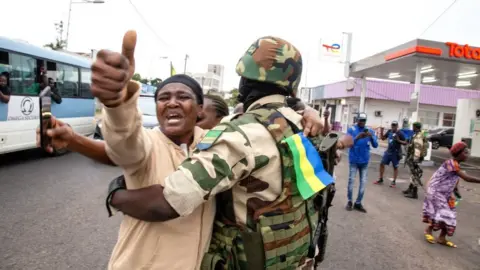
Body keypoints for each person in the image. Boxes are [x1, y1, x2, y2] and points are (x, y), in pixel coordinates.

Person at [95, 33, 353, 269]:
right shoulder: (305, 125)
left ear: (244, 82)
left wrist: (116, 194)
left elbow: (168, 203)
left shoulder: (241, 134)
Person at [423, 142, 480, 248]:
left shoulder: (456, 164)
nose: (467, 154)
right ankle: (428, 231)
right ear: (458, 153)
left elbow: (453, 179)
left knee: (451, 214)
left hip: (446, 193)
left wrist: (456, 191)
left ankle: (442, 238)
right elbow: (466, 178)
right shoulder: (451, 163)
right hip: (436, 191)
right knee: (440, 214)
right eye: (465, 152)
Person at [346, 112, 378, 213]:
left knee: (363, 183)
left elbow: (376, 145)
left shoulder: (370, 131)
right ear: (357, 120)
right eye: (360, 120)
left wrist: (372, 137)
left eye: (364, 121)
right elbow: (347, 144)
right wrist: (357, 138)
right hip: (354, 160)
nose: (362, 122)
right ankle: (349, 201)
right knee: (351, 181)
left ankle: (358, 203)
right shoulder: (352, 130)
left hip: (364, 161)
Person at [375, 121, 407, 188]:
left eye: (394, 126)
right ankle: (380, 179)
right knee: (382, 164)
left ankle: (394, 182)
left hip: (396, 152)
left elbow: (405, 142)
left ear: (397, 126)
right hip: (388, 151)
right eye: (392, 125)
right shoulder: (389, 131)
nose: (393, 127)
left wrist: (398, 140)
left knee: (395, 167)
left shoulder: (400, 133)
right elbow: (383, 138)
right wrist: (381, 131)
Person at [403, 122, 428, 199]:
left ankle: (414, 193)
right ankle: (410, 189)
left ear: (416, 127)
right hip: (412, 157)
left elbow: (418, 148)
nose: (412, 128)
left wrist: (415, 160)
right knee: (412, 174)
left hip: (415, 158)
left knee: (415, 175)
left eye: (413, 127)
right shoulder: (416, 134)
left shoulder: (419, 136)